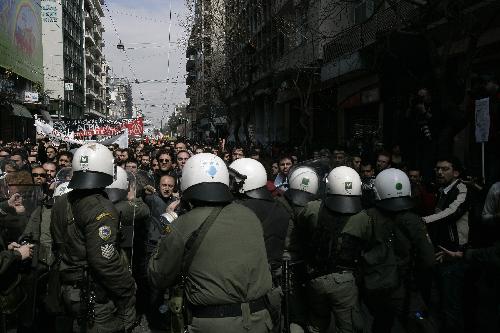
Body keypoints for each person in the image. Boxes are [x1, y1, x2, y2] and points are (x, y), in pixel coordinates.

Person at [148, 153, 273, 332]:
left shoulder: (183, 224)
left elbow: (158, 275)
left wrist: (166, 231)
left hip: (213, 322)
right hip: (260, 319)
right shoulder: (249, 216)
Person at [50, 143, 136, 332]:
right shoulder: (101, 208)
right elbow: (104, 261)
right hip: (93, 295)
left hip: (67, 289)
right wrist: (128, 288)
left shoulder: (62, 202)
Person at [342, 168, 436, 333]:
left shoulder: (364, 217)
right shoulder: (413, 220)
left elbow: (347, 250)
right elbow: (428, 260)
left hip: (373, 287)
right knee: (422, 325)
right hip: (404, 287)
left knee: (381, 322)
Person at [298, 166, 364, 333]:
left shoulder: (312, 209)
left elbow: (301, 230)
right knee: (348, 327)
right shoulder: (363, 217)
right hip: (345, 281)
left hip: (315, 277)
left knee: (316, 323)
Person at [229, 158, 290, 331]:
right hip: (272, 285)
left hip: (242, 287)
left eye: (234, 179)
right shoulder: (281, 207)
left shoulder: (236, 210)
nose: (231, 183)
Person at [422, 156, 469, 333]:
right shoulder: (442, 190)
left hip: (454, 253)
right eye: (437, 169)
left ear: (456, 172)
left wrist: (423, 221)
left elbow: (452, 212)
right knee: (442, 300)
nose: (439, 172)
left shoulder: (462, 188)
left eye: (445, 169)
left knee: (452, 304)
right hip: (441, 251)